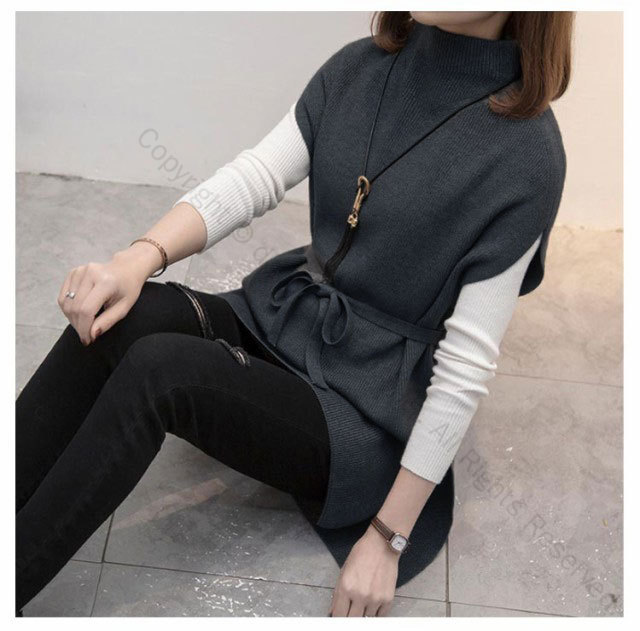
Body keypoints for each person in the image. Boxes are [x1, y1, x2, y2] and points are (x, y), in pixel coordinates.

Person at [16, 10, 573, 617]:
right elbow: (257, 176)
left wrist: (387, 539)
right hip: (284, 316)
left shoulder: (527, 156)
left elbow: (465, 367)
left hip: (362, 409)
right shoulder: (360, 68)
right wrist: (137, 259)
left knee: (162, 370)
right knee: (121, 319)